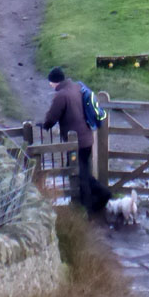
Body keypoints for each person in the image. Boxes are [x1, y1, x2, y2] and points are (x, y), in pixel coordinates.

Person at [42, 67, 108, 211]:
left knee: (79, 174)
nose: (50, 85)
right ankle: (97, 200)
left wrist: (45, 125)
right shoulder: (76, 87)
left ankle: (94, 202)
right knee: (82, 171)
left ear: (55, 81)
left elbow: (53, 116)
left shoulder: (61, 95)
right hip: (87, 139)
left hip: (76, 143)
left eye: (51, 82)